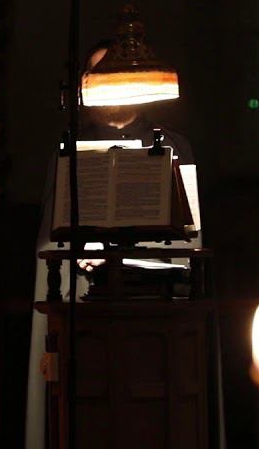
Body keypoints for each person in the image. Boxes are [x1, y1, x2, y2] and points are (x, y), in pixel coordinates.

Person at [23, 41, 198, 449]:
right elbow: (52, 244)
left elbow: (186, 246)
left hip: (153, 316)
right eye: (97, 75)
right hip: (84, 316)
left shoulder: (174, 146)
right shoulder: (69, 151)